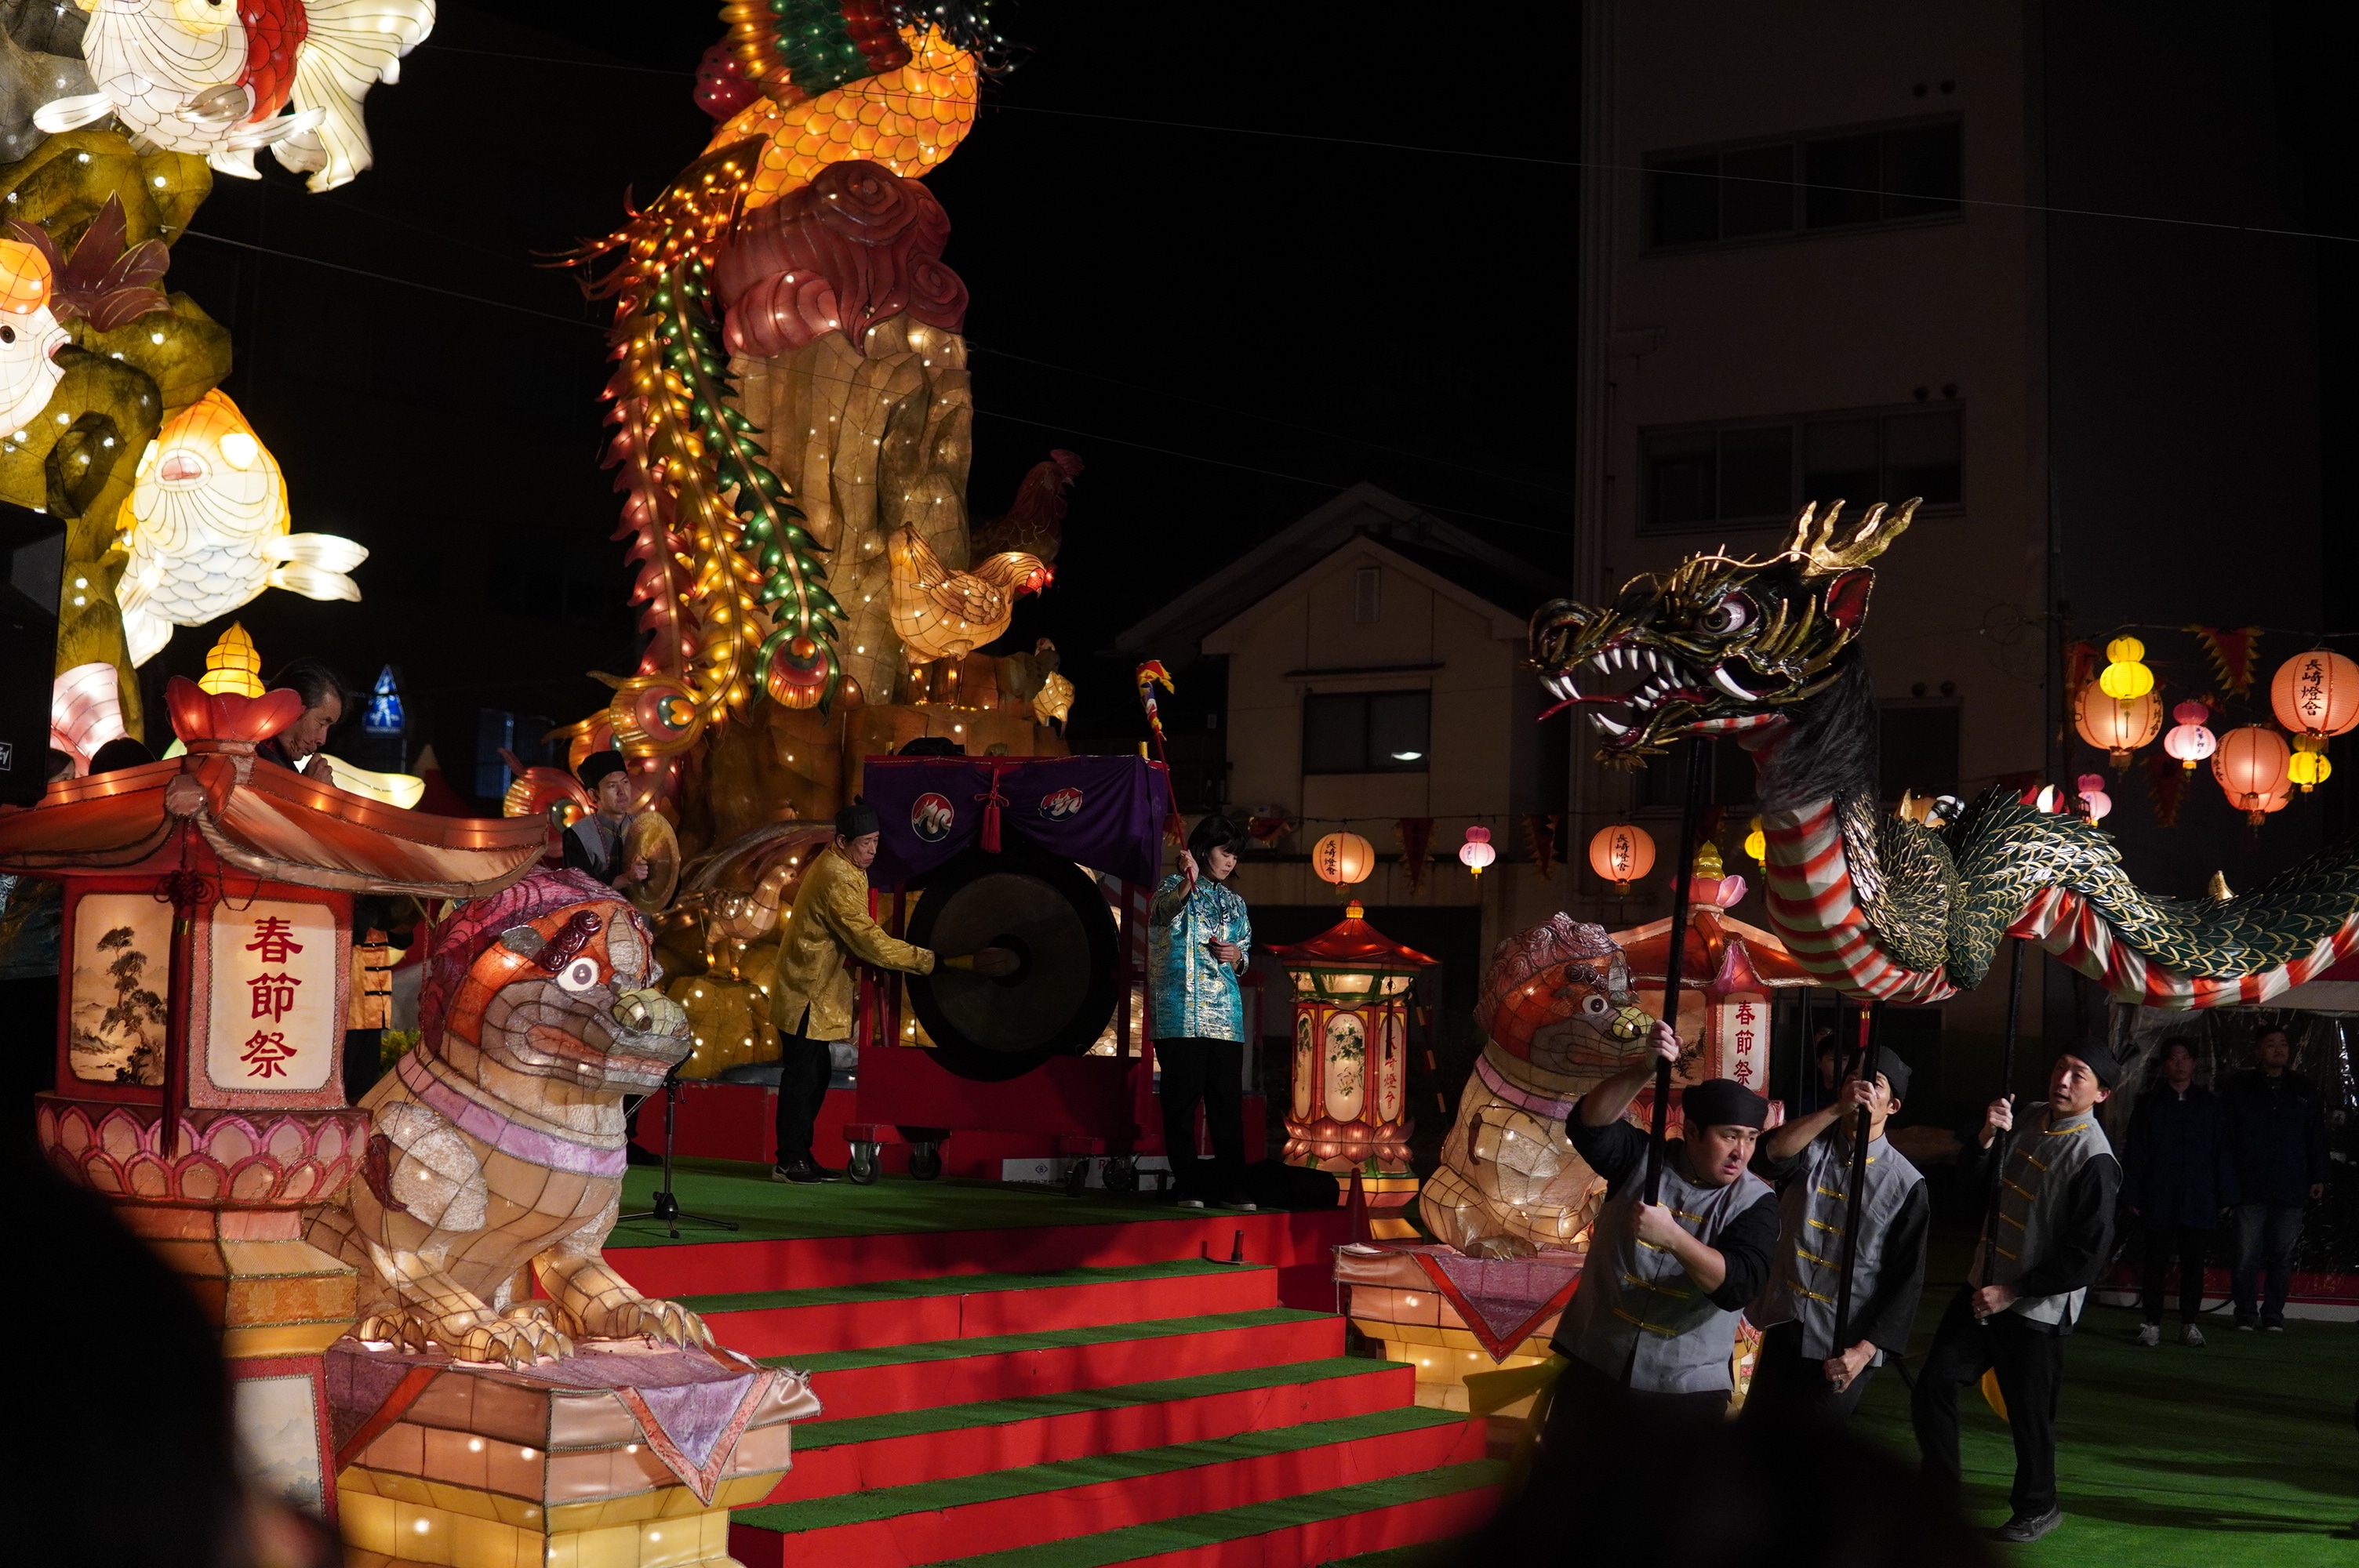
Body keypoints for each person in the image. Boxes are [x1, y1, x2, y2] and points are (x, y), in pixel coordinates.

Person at [1912, 1041, 2121, 1544]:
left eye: (2079, 1075)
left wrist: (2014, 1291)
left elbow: (2087, 1256)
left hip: (2036, 1307)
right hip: (1981, 1287)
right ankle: (1938, 1495)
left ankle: (2038, 1506)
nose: (2064, 1081)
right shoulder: (2024, 1116)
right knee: (1934, 1385)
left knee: (2030, 1416)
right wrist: (1986, 1137)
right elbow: (1974, 1183)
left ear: (2102, 1093)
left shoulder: (2095, 1158)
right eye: (2060, 1068)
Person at [1541, 1029, 1779, 1457]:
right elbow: (1587, 1126)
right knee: (1568, 1495)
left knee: (1664, 1514)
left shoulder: (1756, 1203)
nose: (1741, 1152)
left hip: (1686, 1389)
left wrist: (1673, 1238)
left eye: (1751, 1137)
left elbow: (1739, 1286)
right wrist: (1643, 1068)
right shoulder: (1640, 1158)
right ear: (1690, 1131)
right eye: (1729, 1135)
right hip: (1597, 1363)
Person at [766, 798, 1009, 1183]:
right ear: (842, 841)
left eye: (877, 841)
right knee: (803, 1077)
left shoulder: (845, 864)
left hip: (815, 988)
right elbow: (869, 942)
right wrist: (933, 961)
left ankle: (799, 1156)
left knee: (816, 1072)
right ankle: (788, 1160)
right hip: (805, 991)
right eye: (866, 842)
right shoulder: (837, 877)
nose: (873, 850)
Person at [1745, 1052, 1928, 1425]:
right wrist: (1835, 1110)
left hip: (1846, 1341)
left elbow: (1905, 1281)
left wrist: (1864, 1351)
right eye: (1852, 1079)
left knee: (1814, 1457)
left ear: (1893, 1105)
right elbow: (1766, 1157)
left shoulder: (1907, 1183)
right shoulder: (1811, 1146)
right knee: (1758, 1443)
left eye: (1873, 1083)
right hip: (1786, 1322)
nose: (1860, 1088)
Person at [1149, 815, 1255, 1209]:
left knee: (1226, 1103)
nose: (1230, 862)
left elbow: (1243, 950)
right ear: (1201, 849)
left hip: (1225, 1017)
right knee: (1181, 1103)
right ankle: (1189, 1185)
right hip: (1179, 1014)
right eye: (1224, 852)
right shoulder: (1172, 888)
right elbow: (1160, 913)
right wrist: (1187, 881)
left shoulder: (1236, 903)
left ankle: (1233, 1186)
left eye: (1235, 856)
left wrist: (1237, 955)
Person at [2124, 1039, 2234, 1346]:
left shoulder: (2209, 1105)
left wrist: (2224, 1195)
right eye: (2173, 1059)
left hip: (2198, 1196)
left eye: (2185, 1058)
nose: (2180, 1064)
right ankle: (2151, 1323)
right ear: (2164, 1065)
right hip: (2158, 1194)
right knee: (2155, 1262)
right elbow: (2136, 1151)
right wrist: (2132, 1194)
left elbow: (2221, 1152)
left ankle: (2189, 1323)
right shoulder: (2149, 1103)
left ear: (2194, 1063)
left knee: (2193, 1263)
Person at [2220, 1025, 2328, 1332]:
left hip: (2291, 1183)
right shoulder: (2239, 1087)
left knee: (2283, 1254)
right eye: (2271, 1044)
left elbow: (2316, 1135)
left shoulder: (2303, 1088)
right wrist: (2227, 1184)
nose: (2279, 1049)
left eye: (2283, 1044)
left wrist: (2318, 1175)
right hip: (2249, 1184)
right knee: (2246, 1255)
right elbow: (2226, 1139)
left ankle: (2273, 1315)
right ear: (2258, 1051)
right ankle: (2245, 1313)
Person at [562, 750, 650, 890]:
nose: (622, 791)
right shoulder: (578, 835)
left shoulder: (647, 827)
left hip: (640, 911)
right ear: (594, 794)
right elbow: (581, 889)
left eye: (625, 782)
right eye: (612, 786)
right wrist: (626, 879)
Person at [256, 658, 343, 789]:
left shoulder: (284, 765)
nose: (322, 740)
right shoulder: (242, 755)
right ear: (291, 707)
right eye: (321, 723)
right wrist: (307, 791)